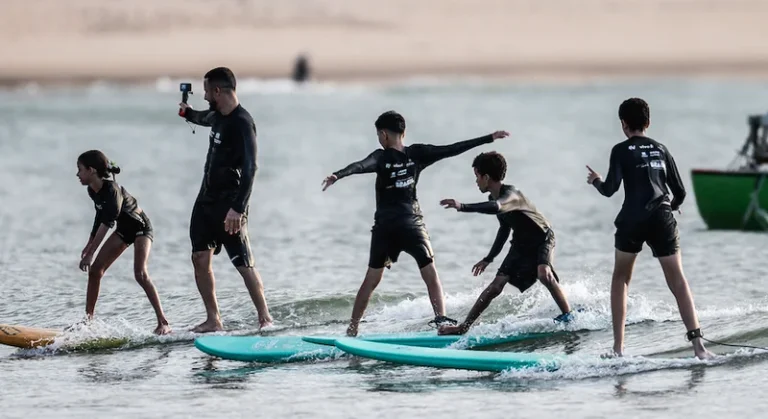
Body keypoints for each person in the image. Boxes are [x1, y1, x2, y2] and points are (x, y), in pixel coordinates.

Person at [321, 110, 510, 336]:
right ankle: (441, 322)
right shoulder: (418, 153)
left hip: (385, 228)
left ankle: (352, 329)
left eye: (378, 135)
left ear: (384, 134)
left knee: (371, 280)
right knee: (430, 273)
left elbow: (360, 166)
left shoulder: (380, 157)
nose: (379, 139)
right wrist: (488, 138)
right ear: (404, 132)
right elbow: (451, 149)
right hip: (412, 225)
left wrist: (338, 175)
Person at [585, 97, 714, 359]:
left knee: (621, 278)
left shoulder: (620, 150)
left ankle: (618, 349)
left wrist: (595, 180)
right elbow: (680, 192)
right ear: (648, 122)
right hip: (661, 218)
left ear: (623, 123)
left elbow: (609, 190)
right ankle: (699, 347)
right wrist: (671, 207)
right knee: (678, 280)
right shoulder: (661, 149)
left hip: (631, 219)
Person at [178, 67, 272, 333]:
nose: (205, 96)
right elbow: (201, 116)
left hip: (230, 204)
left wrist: (238, 209)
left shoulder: (243, 122)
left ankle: (265, 318)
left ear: (218, 91)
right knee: (199, 257)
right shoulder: (217, 116)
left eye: (207, 91)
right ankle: (213, 319)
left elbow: (252, 168)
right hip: (205, 200)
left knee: (243, 263)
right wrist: (187, 112)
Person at [437, 151, 574, 335]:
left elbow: (497, 207)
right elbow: (504, 229)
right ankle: (463, 327)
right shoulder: (492, 198)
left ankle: (568, 316)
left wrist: (462, 206)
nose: (476, 181)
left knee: (543, 274)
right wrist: (488, 258)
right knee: (495, 286)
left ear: (486, 177)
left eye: (477, 176)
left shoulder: (511, 194)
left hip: (542, 237)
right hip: (520, 243)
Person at [76, 150, 171, 335]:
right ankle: (88, 321)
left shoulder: (112, 191)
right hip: (124, 230)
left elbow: (107, 223)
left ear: (91, 170)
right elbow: (99, 216)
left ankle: (163, 322)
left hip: (141, 228)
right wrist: (89, 244)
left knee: (140, 274)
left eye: (80, 169)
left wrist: (91, 253)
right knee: (95, 271)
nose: (77, 174)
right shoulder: (93, 190)